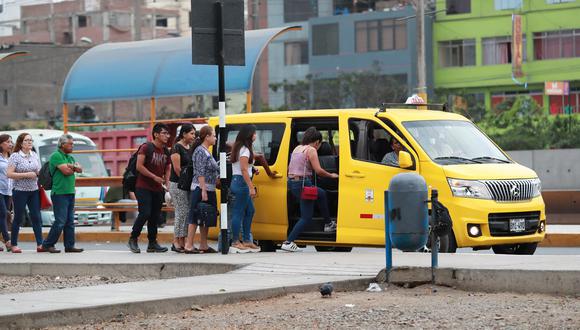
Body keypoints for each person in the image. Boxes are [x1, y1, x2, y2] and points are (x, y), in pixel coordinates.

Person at [282, 127, 339, 252]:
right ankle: (288, 241)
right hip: (304, 183)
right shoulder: (312, 150)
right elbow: (318, 170)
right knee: (306, 217)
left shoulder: (297, 148)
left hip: (293, 183)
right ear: (317, 142)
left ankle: (328, 223)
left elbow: (288, 168)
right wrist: (332, 175)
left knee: (321, 194)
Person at [127, 123, 171, 253]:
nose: (167, 136)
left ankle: (152, 243)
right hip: (143, 186)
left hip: (157, 188)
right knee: (145, 213)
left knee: (154, 215)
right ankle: (133, 238)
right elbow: (139, 166)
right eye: (164, 133)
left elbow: (167, 168)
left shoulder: (165, 150)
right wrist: (154, 177)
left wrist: (167, 183)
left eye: (167, 133)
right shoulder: (146, 147)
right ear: (156, 134)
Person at [41, 134, 84, 253]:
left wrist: (72, 167)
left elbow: (80, 169)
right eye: (70, 144)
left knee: (70, 221)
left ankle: (69, 246)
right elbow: (66, 171)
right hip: (59, 193)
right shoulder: (56, 155)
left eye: (72, 144)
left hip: (70, 192)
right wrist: (73, 168)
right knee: (60, 221)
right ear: (62, 144)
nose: (72, 146)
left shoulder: (70, 158)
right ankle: (47, 244)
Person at [184, 125, 219, 254]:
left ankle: (203, 244)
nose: (215, 138)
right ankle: (189, 244)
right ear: (207, 137)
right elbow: (199, 171)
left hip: (210, 188)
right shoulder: (200, 151)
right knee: (194, 215)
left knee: (207, 215)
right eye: (214, 135)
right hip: (200, 188)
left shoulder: (207, 151)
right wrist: (203, 189)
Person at [7, 133, 44, 253]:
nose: (29, 142)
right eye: (27, 140)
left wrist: (40, 173)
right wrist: (26, 175)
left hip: (33, 190)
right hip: (19, 191)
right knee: (18, 217)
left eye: (31, 140)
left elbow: (38, 170)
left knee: (36, 217)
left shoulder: (34, 155)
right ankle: (14, 244)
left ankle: (40, 244)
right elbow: (9, 174)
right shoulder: (15, 156)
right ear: (21, 143)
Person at [229, 125, 260, 253]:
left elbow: (244, 167)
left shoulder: (240, 147)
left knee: (250, 211)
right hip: (241, 182)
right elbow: (243, 169)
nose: (255, 135)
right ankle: (236, 242)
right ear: (249, 135)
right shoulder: (245, 150)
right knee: (238, 212)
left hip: (239, 181)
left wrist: (252, 168)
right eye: (254, 133)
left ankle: (247, 240)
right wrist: (251, 187)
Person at [168, 124, 196, 253]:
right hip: (178, 184)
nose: (193, 136)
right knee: (181, 212)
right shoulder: (176, 147)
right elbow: (177, 169)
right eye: (191, 133)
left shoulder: (190, 147)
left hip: (186, 185)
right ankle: (176, 241)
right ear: (183, 134)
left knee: (185, 212)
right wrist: (186, 182)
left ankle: (182, 240)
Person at [0, 134, 13, 251]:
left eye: (11, 142)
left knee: (3, 215)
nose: (10, 144)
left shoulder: (12, 158)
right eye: (7, 142)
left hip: (8, 191)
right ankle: (8, 241)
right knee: (3, 213)